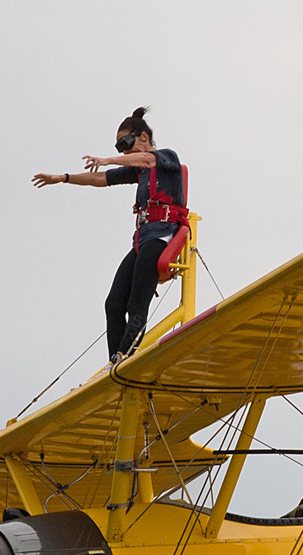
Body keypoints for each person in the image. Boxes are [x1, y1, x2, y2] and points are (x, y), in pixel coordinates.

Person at [31, 107, 187, 364]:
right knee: (114, 304)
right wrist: (63, 178)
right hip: (142, 240)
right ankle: (115, 360)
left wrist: (107, 159)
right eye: (118, 147)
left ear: (144, 137)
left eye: (126, 143)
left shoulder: (166, 158)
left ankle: (126, 355)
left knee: (137, 301)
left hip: (163, 236)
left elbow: (147, 160)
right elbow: (101, 179)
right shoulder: (140, 171)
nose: (123, 151)